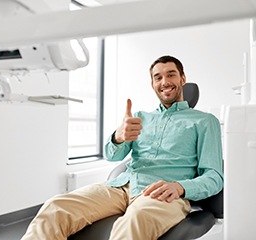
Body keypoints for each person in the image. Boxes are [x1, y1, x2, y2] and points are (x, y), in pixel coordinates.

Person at [21, 55, 223, 240]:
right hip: (121, 187)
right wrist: (118, 137)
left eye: (171, 75)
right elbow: (112, 155)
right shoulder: (140, 118)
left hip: (162, 193)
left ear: (183, 78)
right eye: (157, 77)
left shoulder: (204, 121)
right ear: (152, 84)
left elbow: (214, 177)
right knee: (55, 207)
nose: (164, 82)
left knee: (134, 221)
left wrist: (179, 187)